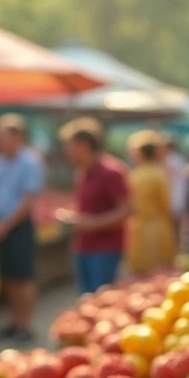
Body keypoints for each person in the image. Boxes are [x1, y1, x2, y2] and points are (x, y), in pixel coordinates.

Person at [0, 113, 44, 343]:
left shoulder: (30, 162)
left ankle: (25, 325)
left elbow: (28, 200)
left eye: (3, 136)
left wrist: (6, 225)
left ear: (18, 137)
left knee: (23, 277)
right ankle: (14, 321)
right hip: (0, 225)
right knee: (8, 276)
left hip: (18, 226)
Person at [55, 118, 130, 293]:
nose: (66, 151)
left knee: (102, 300)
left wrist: (90, 223)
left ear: (83, 145)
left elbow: (127, 210)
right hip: (83, 247)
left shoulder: (111, 171)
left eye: (70, 145)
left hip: (105, 250)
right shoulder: (82, 172)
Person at [124, 131, 176, 275]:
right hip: (158, 227)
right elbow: (165, 204)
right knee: (159, 273)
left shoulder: (134, 175)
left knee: (141, 273)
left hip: (139, 227)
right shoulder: (159, 174)